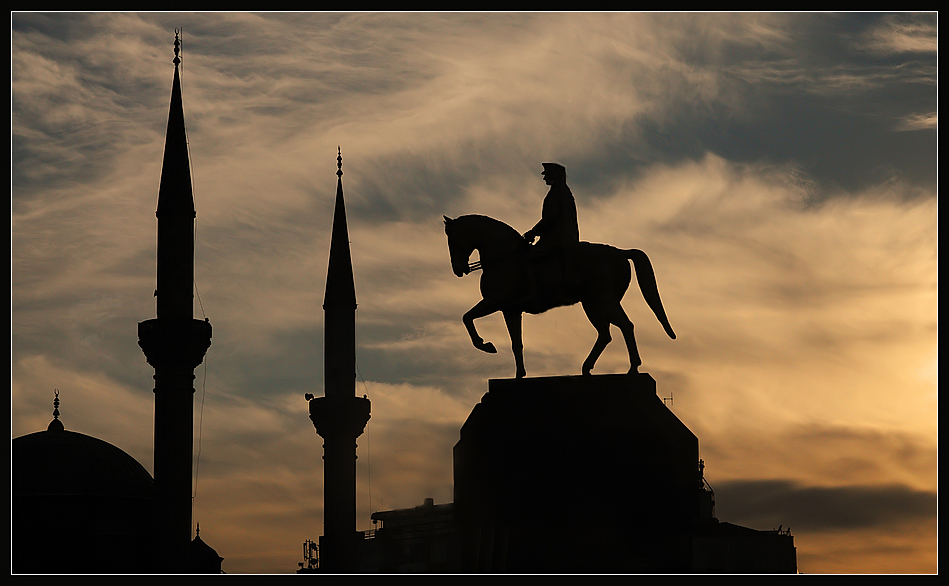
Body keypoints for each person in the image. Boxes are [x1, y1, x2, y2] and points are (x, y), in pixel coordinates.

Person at [522, 163, 580, 305]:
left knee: (526, 258)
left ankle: (532, 293)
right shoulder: (563, 191)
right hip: (562, 236)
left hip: (558, 238)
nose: (544, 178)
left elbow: (550, 218)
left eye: (546, 175)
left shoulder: (557, 192)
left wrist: (532, 232)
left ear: (554, 176)